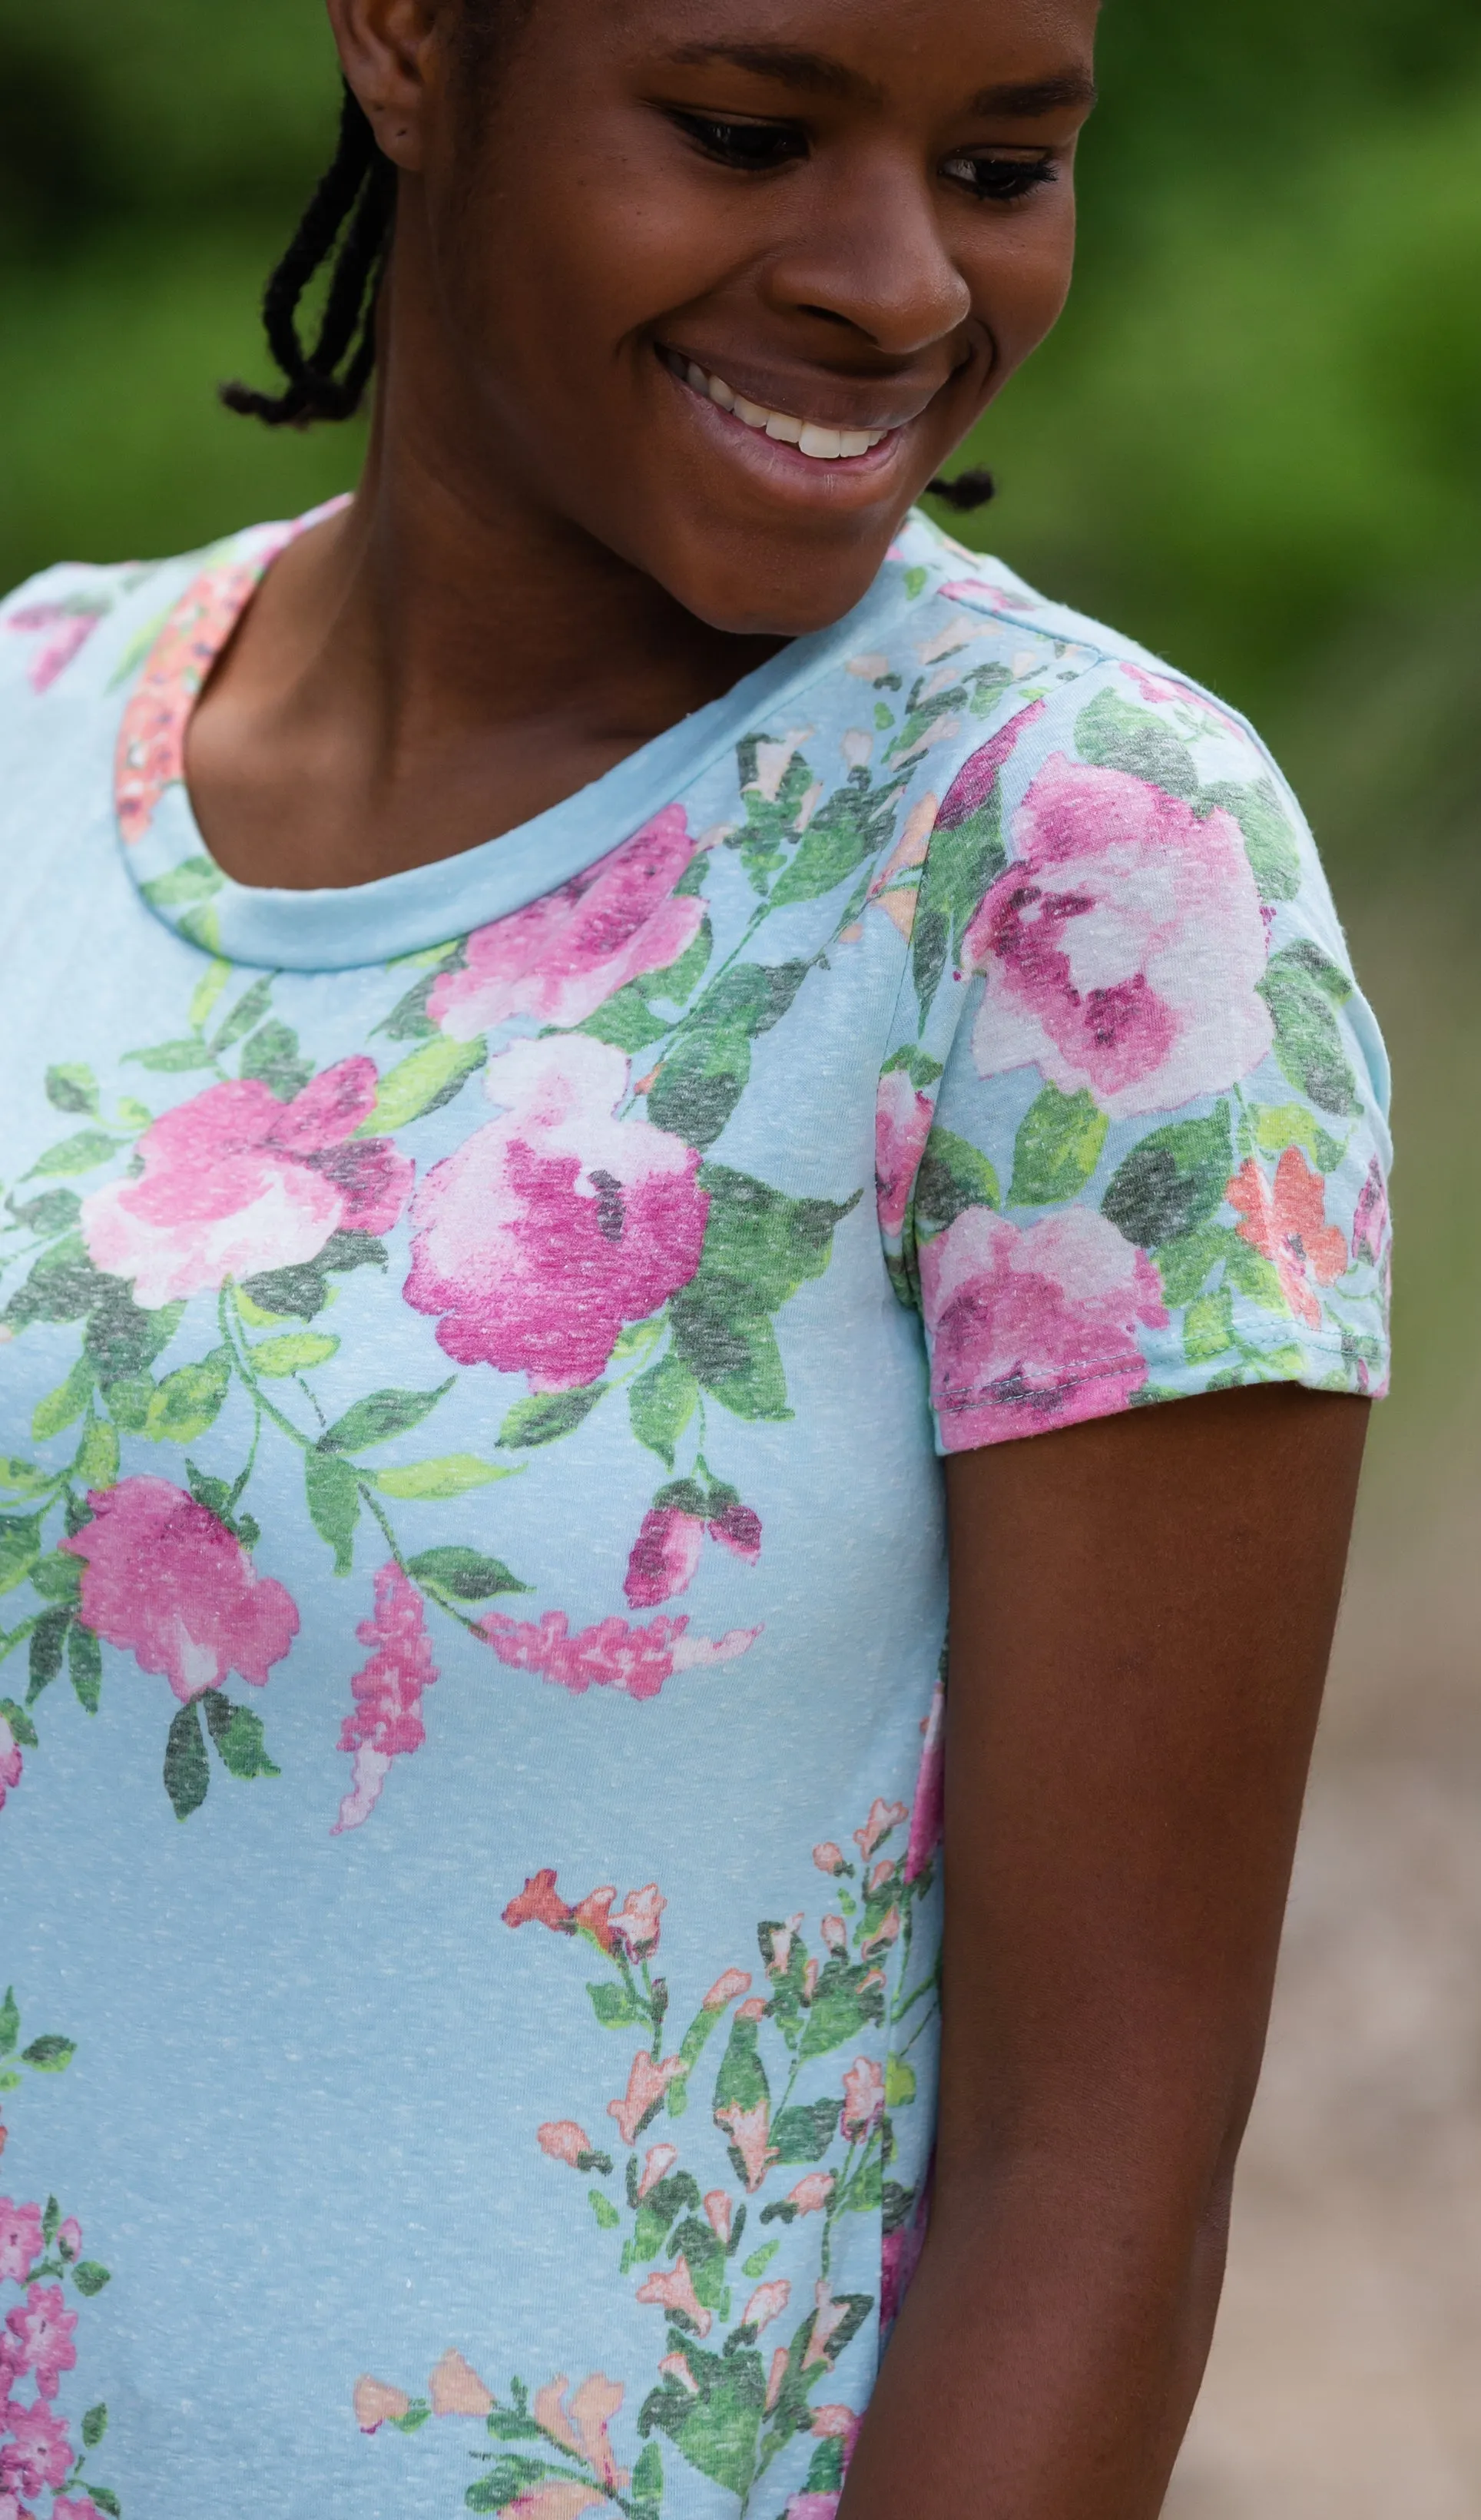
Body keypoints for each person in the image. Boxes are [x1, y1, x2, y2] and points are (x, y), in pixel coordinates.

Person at [0, 2, 1391, 2513]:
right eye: (745, 135)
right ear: (411, 38)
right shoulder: (23, 724)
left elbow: (1093, 2182)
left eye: (1002, 166)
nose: (893, 284)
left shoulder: (1064, 868)